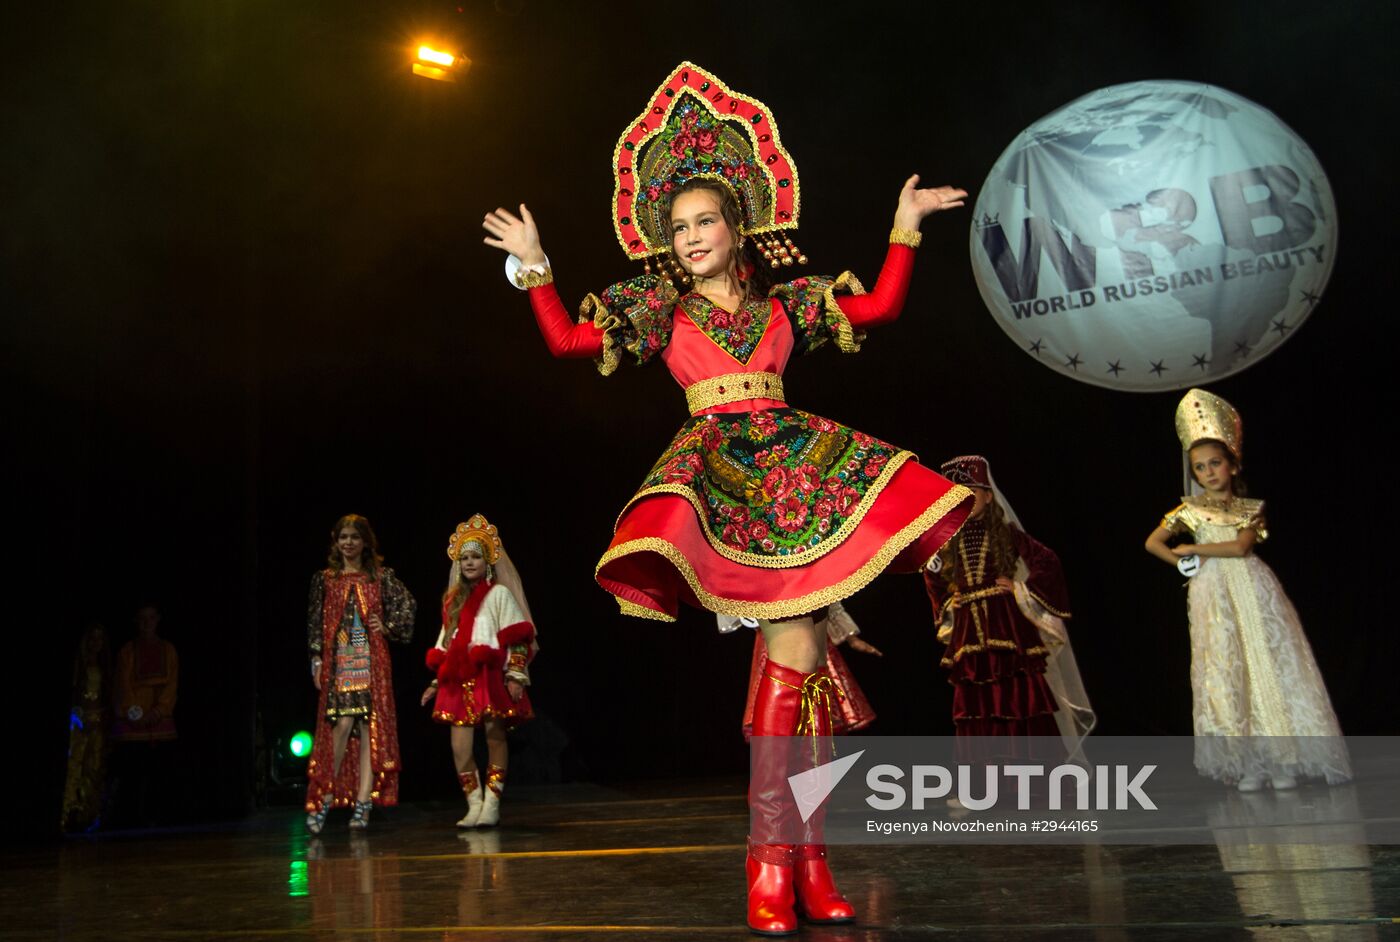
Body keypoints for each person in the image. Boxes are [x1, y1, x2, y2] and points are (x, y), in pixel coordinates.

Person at [482, 62, 973, 935]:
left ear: (738, 225)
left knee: (808, 676)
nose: (689, 236)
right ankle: (773, 866)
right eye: (676, 227)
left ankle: (804, 865)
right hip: (729, 487)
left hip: (801, 473)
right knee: (795, 658)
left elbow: (885, 309)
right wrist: (535, 268)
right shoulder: (661, 311)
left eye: (705, 220)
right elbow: (567, 342)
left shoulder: (788, 302)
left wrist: (904, 230)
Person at [1145, 388, 1350, 791]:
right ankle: (1248, 763)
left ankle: (1283, 760)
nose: (1208, 472)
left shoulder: (1249, 508)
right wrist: (1183, 562)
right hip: (1211, 594)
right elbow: (1152, 542)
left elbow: (1241, 547)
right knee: (1224, 669)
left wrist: (1193, 547)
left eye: (1215, 463)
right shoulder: (1188, 509)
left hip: (1251, 587)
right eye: (1200, 467)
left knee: (1265, 664)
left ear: (1232, 466)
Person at [923, 456, 1094, 763]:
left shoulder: (1006, 533)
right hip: (969, 631)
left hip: (1005, 623)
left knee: (1018, 694)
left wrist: (1019, 589)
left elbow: (1047, 561)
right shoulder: (947, 541)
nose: (965, 501)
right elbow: (931, 573)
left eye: (972, 494)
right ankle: (985, 783)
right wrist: (949, 600)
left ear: (988, 496)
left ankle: (1032, 776)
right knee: (977, 702)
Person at [420, 515, 537, 828]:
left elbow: (518, 638)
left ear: (487, 562)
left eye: (475, 557)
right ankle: (473, 803)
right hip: (458, 679)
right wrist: (435, 682)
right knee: (459, 748)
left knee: (494, 738)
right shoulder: (453, 601)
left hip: (489, 676)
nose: (470, 563)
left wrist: (515, 676)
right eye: (465, 558)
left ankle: (492, 803)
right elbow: (447, 642)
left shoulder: (499, 595)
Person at [305, 514, 416, 833]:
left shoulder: (379, 577)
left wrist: (389, 627)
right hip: (340, 660)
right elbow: (315, 621)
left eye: (354, 537)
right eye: (343, 537)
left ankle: (363, 802)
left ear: (365, 542)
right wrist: (316, 660)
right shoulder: (326, 579)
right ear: (335, 541)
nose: (349, 543)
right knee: (340, 725)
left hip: (372, 660)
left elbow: (407, 605)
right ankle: (324, 794)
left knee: (370, 728)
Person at [110, 604, 178, 825]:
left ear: (158, 619)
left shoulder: (168, 650)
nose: (147, 623)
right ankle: (129, 819)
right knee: (131, 774)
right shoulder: (127, 651)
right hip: (133, 721)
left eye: (151, 618)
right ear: (136, 622)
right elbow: (123, 684)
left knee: (157, 774)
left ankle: (157, 817)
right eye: (142, 618)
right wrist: (135, 714)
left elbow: (171, 685)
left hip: (158, 719)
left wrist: (158, 711)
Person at [61, 622, 112, 832]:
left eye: (100, 638)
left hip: (98, 722)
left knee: (94, 768)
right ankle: (66, 815)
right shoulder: (78, 665)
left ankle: (88, 816)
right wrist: (78, 715)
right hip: (79, 721)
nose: (96, 643)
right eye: (92, 637)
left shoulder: (105, 665)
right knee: (74, 767)